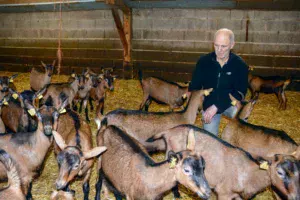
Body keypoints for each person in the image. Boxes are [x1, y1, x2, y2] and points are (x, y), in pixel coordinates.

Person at [188, 28, 249, 136]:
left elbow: (240, 93)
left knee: (241, 118)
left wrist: (216, 106)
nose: (219, 49)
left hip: (230, 103)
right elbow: (194, 87)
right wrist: (200, 104)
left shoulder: (240, 65)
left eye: (224, 46)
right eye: (216, 45)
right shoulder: (204, 62)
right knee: (210, 140)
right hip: (209, 104)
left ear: (232, 45)